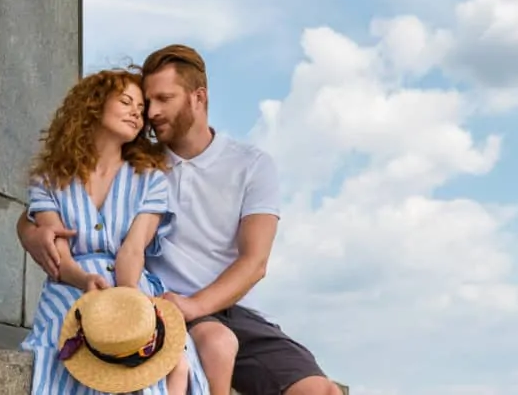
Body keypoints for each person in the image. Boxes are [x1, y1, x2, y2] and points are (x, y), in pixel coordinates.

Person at [19, 46, 343, 395]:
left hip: (228, 308)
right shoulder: (142, 162)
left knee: (319, 390)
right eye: (146, 101)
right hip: (164, 302)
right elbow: (54, 203)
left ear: (197, 97)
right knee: (215, 344)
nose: (151, 113)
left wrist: (196, 305)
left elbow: (255, 262)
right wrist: (28, 232)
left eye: (162, 99)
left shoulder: (251, 165)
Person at [18, 66, 211, 395]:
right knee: (69, 355)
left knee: (148, 360)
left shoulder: (150, 179)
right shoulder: (49, 181)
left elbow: (133, 249)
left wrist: (126, 305)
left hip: (131, 284)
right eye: (125, 102)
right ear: (93, 105)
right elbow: (56, 254)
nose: (136, 114)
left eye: (140, 109)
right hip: (69, 286)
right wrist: (85, 282)